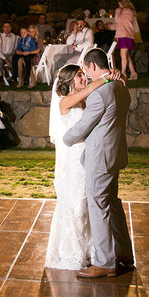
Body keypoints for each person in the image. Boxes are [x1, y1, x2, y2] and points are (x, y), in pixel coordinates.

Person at [62, 48, 133, 277]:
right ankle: (123, 253)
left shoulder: (99, 93)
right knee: (112, 202)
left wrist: (67, 138)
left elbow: (84, 125)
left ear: (93, 66)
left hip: (99, 158)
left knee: (99, 206)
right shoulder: (121, 87)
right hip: (115, 154)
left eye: (85, 69)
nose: (85, 74)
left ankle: (104, 263)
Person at [45, 63, 122, 270]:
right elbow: (89, 89)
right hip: (75, 156)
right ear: (69, 81)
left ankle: (92, 250)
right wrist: (106, 78)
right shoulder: (65, 102)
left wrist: (113, 77)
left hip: (91, 156)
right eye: (79, 75)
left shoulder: (87, 101)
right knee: (77, 204)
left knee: (89, 205)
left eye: (84, 74)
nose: (84, 78)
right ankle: (72, 250)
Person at [112, 0, 139, 80]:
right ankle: (133, 73)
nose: (118, 6)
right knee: (126, 56)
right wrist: (110, 27)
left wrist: (117, 11)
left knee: (123, 56)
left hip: (125, 36)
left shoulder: (126, 12)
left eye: (119, 4)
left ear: (122, 4)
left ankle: (123, 74)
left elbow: (118, 20)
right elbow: (121, 24)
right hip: (124, 35)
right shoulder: (127, 12)